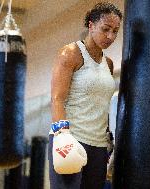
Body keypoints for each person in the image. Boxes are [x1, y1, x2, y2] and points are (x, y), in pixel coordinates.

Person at [49, 2, 122, 189]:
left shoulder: (109, 64)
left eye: (115, 31)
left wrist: (109, 140)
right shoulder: (71, 53)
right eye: (105, 29)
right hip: (71, 138)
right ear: (91, 25)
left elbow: (101, 104)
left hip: (98, 146)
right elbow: (57, 98)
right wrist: (63, 136)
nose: (110, 36)